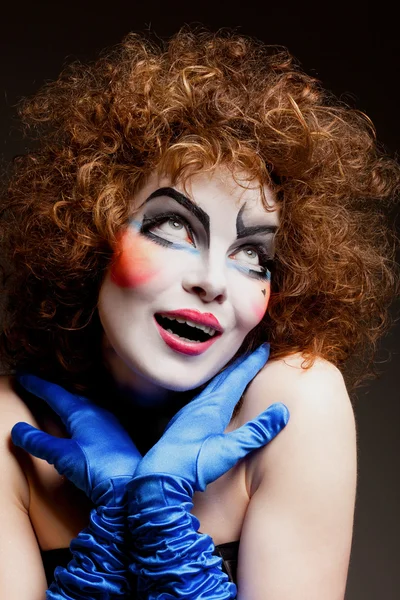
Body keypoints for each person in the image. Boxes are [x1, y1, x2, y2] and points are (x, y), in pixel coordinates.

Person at [0, 28, 398, 599]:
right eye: (171, 227)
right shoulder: (11, 429)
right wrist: (116, 527)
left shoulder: (292, 406)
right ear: (90, 235)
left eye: (252, 254)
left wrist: (161, 522)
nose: (212, 281)